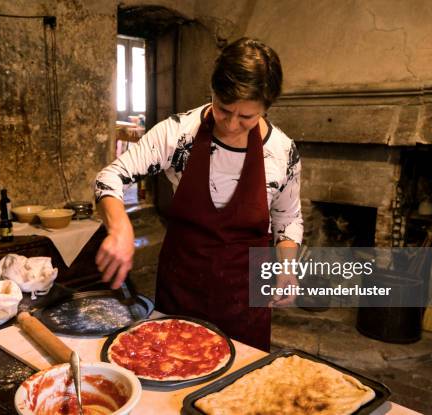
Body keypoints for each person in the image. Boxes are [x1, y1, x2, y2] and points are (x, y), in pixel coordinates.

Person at [94, 38, 303, 351]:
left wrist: (287, 269)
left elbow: (288, 219)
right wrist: (120, 226)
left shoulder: (282, 151)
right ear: (212, 92)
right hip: (182, 289)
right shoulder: (178, 134)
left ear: (266, 107)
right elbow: (110, 176)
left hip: (245, 297)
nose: (232, 125)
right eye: (223, 109)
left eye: (246, 117)